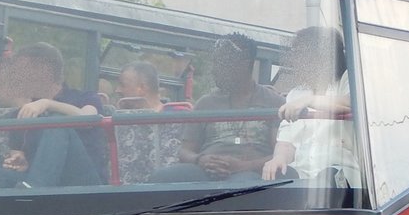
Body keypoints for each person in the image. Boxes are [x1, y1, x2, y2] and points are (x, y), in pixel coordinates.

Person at [0, 43, 105, 189]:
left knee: (56, 123)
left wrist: (47, 104)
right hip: (36, 181)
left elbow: (88, 119)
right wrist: (19, 162)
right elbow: (18, 155)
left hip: (84, 184)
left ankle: (35, 191)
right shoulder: (20, 114)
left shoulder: (85, 97)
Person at [153, 33, 283, 183]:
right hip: (204, 171)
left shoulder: (274, 103)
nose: (214, 70)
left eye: (221, 64)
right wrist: (200, 160)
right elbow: (184, 151)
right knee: (160, 179)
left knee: (241, 188)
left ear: (245, 64)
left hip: (251, 172)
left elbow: (280, 154)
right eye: (215, 63)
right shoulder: (205, 104)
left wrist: (245, 166)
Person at [261, 26, 360, 189]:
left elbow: (350, 103)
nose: (295, 61)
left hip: (341, 178)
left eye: (300, 54)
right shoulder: (295, 94)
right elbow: (286, 142)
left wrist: (310, 100)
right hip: (302, 176)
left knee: (328, 178)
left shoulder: (347, 80)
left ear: (320, 56)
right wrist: (278, 159)